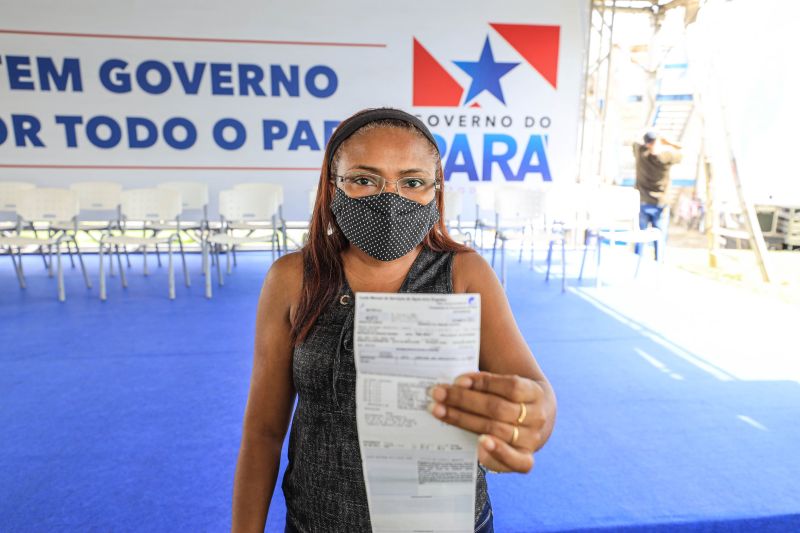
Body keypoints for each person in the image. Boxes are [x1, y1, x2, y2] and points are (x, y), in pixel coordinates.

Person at [231, 108, 557, 533]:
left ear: (435, 191)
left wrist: (532, 416)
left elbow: (534, 391)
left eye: (412, 182)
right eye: (364, 179)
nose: (391, 199)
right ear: (333, 188)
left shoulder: (465, 273)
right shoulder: (292, 279)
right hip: (317, 523)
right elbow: (263, 430)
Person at [632, 131, 682, 260]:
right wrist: (667, 142)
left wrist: (653, 140)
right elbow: (681, 150)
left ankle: (636, 265)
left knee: (640, 237)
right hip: (660, 202)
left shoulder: (641, 153)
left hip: (642, 200)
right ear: (657, 141)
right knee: (659, 238)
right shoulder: (667, 156)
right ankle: (658, 266)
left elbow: (636, 141)